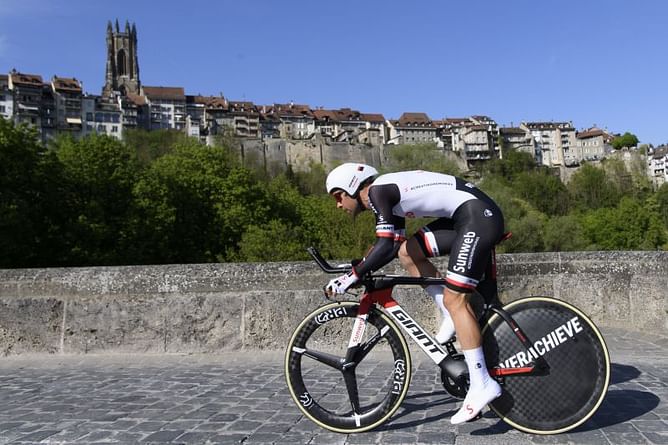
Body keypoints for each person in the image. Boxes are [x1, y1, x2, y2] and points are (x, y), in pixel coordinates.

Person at [324, 162, 504, 425]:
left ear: (351, 186)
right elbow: (391, 245)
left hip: (478, 216)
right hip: (466, 216)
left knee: (457, 300)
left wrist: (351, 277)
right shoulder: (386, 196)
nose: (339, 205)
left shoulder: (378, 191)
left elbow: (384, 245)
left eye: (338, 197)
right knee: (408, 251)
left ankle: (482, 384)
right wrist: (360, 268)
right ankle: (450, 314)